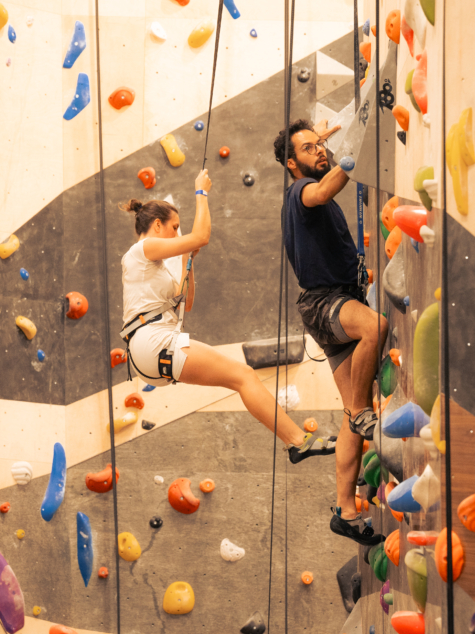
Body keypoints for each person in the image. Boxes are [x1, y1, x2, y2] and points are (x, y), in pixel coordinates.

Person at [119, 170, 333, 458]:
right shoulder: (142, 249)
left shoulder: (153, 268)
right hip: (151, 342)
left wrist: (187, 258)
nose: (176, 234)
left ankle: (296, 442)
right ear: (158, 225)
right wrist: (201, 193)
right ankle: (297, 441)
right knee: (244, 376)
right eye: (174, 227)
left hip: (151, 350)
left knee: (241, 377)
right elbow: (202, 236)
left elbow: (187, 301)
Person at [274, 119, 388, 546]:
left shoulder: (308, 195)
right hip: (325, 303)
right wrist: (350, 151)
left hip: (329, 302)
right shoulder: (300, 192)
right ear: (291, 164)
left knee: (349, 417)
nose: (318, 152)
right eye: (309, 149)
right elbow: (321, 190)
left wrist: (325, 142)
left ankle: (345, 510)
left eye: (319, 146)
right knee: (375, 327)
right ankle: (361, 412)